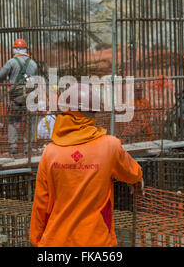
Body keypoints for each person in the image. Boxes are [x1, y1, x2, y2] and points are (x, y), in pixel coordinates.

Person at [29, 83, 143, 247]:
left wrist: (36, 239)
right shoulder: (110, 146)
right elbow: (134, 173)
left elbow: (41, 203)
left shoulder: (50, 153)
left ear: (67, 112)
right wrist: (137, 181)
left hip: (56, 242)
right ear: (93, 114)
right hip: (97, 242)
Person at [0, 38, 38, 155]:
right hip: (30, 96)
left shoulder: (11, 62)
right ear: (25, 49)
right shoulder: (33, 63)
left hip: (16, 97)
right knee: (30, 121)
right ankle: (29, 147)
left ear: (15, 49)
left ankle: (13, 147)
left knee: (13, 121)